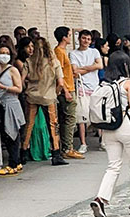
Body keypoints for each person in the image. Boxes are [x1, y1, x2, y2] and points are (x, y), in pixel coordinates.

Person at [90, 51, 130, 217]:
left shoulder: (104, 84)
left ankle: (101, 198)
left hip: (108, 129)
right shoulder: (129, 83)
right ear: (126, 65)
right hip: (127, 126)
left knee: (113, 166)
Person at [20, 35, 67, 166]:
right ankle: (56, 153)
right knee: (53, 125)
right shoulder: (54, 62)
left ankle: (23, 152)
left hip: (32, 96)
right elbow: (61, 83)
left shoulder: (29, 62)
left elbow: (22, 80)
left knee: (29, 124)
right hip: (49, 97)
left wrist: (27, 89)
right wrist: (55, 92)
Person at [0, 43, 25, 176]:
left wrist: (3, 87)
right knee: (4, 134)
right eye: (1, 52)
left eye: (7, 53)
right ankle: (17, 161)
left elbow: (19, 89)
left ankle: (13, 164)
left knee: (12, 133)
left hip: (10, 104)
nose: (4, 55)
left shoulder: (13, 70)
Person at [70, 30, 103, 153]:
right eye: (84, 38)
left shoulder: (94, 51)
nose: (86, 41)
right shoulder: (73, 53)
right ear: (79, 39)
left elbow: (100, 66)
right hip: (82, 88)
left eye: (88, 39)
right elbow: (74, 71)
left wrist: (83, 68)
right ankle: (83, 143)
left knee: (98, 115)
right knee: (82, 117)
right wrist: (91, 67)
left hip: (94, 87)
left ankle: (102, 140)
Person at [53, 27, 83, 159]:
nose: (71, 37)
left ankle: (67, 146)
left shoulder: (63, 51)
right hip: (67, 89)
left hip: (70, 86)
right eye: (69, 35)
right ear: (64, 37)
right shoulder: (59, 52)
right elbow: (59, 73)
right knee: (69, 118)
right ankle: (67, 147)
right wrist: (65, 90)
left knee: (69, 118)